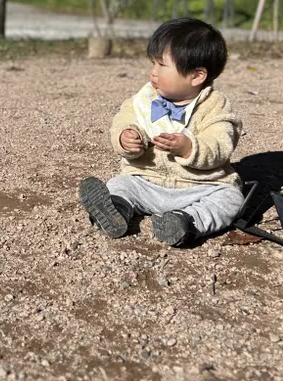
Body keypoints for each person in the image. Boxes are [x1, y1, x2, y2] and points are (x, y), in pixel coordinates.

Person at [79, 17, 245, 247]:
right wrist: (126, 136)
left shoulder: (215, 106)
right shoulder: (145, 100)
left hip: (198, 187)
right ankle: (116, 210)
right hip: (147, 181)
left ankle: (186, 222)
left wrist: (190, 147)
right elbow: (124, 118)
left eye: (162, 65)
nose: (153, 73)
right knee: (120, 184)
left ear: (197, 76)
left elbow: (221, 142)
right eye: (153, 64)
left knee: (231, 198)